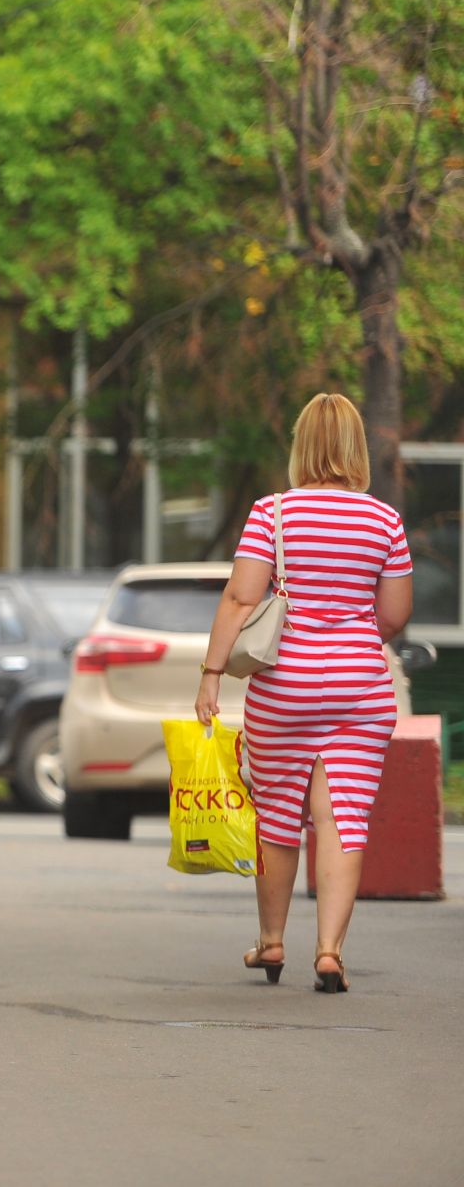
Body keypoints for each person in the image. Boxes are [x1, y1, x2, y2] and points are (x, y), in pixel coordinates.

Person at [194, 393, 413, 994]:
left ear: (301, 448)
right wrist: (350, 635)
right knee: (343, 818)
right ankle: (330, 952)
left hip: (282, 688)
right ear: (355, 448)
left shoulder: (273, 514)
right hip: (359, 690)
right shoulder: (384, 521)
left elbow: (241, 599)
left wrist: (212, 672)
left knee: (277, 817)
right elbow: (394, 614)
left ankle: (271, 942)